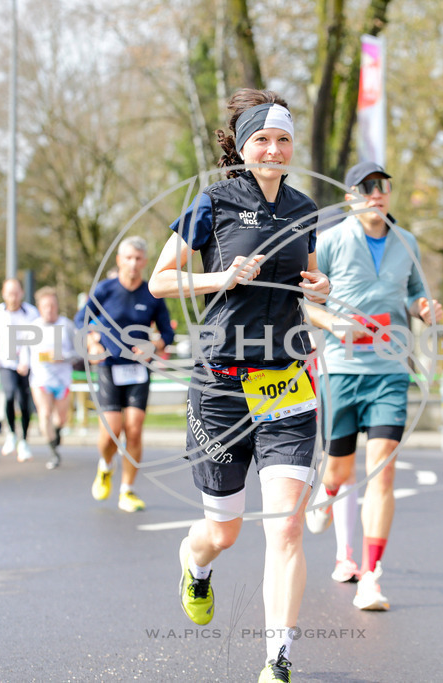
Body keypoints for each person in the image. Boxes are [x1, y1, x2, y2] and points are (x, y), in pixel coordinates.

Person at [148, 88, 330, 683]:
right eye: (262, 140)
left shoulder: (305, 208)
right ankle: (193, 563)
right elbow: (159, 281)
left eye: (282, 139)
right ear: (244, 149)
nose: (274, 149)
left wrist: (317, 291)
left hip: (285, 384)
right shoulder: (214, 201)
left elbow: (299, 287)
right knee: (223, 531)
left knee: (285, 526)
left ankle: (277, 658)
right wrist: (221, 275)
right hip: (223, 384)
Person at [304, 161, 442, 612]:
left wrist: (422, 308)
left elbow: (414, 294)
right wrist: (332, 321)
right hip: (342, 369)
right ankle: (324, 497)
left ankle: (371, 577)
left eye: (382, 186)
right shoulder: (330, 242)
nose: (377, 193)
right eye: (366, 187)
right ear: (350, 197)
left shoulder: (408, 242)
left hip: (389, 370)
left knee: (381, 471)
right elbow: (305, 301)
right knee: (339, 473)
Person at [77, 236, 175, 511]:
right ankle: (106, 466)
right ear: (120, 260)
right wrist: (91, 341)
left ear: (145, 262)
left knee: (133, 431)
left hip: (137, 369)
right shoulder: (105, 289)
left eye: (138, 259)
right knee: (111, 432)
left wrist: (154, 345)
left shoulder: (152, 294)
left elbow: (167, 332)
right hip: (108, 366)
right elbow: (80, 319)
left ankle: (127, 490)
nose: (133, 263)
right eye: (128, 258)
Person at [0, 278, 39, 462]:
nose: (13, 297)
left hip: (26, 364)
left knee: (24, 402)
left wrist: (28, 361)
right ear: (3, 294)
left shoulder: (32, 313)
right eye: (9, 293)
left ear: (22, 293)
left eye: (16, 293)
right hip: (5, 362)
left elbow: (36, 340)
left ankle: (24, 439)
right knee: (8, 396)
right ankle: (11, 434)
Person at [27, 286, 78, 470]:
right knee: (45, 413)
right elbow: (24, 352)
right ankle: (53, 452)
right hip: (41, 379)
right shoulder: (33, 328)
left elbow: (78, 353)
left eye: (52, 305)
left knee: (60, 418)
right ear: (40, 307)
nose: (49, 309)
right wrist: (23, 364)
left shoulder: (67, 326)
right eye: (45, 306)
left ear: (57, 306)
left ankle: (56, 433)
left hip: (63, 379)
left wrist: (62, 357)